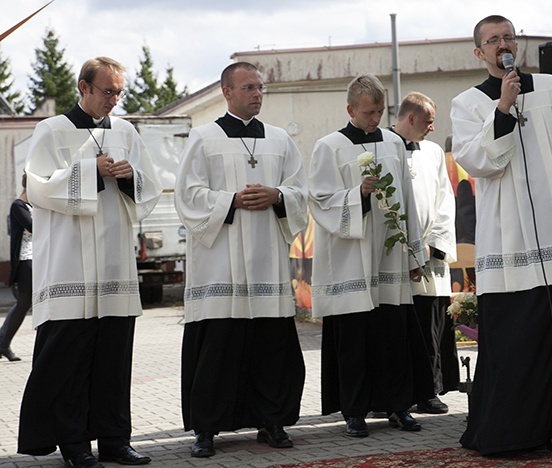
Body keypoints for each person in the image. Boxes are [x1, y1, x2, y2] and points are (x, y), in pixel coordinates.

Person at [450, 15, 552, 455]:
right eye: (493, 40)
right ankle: (519, 431)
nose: (503, 44)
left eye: (508, 36)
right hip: (510, 238)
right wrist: (502, 108)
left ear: (515, 43)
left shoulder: (551, 87)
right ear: (479, 52)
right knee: (518, 339)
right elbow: (479, 162)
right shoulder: (466, 103)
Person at [19, 57, 161, 467]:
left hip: (115, 263)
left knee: (114, 361)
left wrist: (129, 174)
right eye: (107, 91)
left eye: (119, 92)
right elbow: (39, 188)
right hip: (69, 267)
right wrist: (91, 171)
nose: (114, 100)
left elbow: (149, 188)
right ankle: (75, 445)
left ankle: (116, 440)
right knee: (70, 363)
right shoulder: (52, 130)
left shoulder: (127, 131)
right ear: (84, 87)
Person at [174, 62, 307, 458]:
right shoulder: (203, 138)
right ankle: (206, 429)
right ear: (226, 92)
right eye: (248, 87)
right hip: (221, 265)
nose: (257, 94)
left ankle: (272, 420)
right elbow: (187, 196)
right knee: (218, 349)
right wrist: (230, 200)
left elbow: (301, 190)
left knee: (270, 347)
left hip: (267, 260)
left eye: (261, 88)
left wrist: (278, 196)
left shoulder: (281, 140)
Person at [309, 74, 428, 438]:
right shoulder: (329, 147)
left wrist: (414, 255)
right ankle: (355, 412)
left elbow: (407, 199)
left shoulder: (394, 142)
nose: (376, 118)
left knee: (393, 338)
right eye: (368, 112)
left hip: (388, 257)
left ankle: (397, 406)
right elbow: (320, 199)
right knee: (354, 342)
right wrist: (357, 194)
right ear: (350, 109)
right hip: (351, 258)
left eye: (380, 111)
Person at [390, 92, 460, 415]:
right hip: (394, 260)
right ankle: (393, 396)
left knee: (429, 327)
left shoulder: (433, 153)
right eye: (429, 122)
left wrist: (434, 244)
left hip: (430, 256)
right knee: (397, 331)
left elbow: (446, 200)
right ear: (411, 118)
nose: (433, 129)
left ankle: (429, 391)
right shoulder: (382, 148)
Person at [0, 172, 32, 362]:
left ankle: (3, 343)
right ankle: (3, 343)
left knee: (23, 304)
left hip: (36, 260)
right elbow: (33, 226)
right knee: (23, 303)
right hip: (26, 261)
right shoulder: (18, 206)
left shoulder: (31, 206)